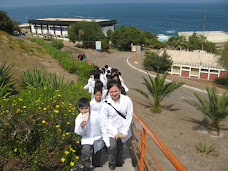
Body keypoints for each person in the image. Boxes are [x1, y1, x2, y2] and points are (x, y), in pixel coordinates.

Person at [100, 80, 133, 170]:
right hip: (111, 130)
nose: (114, 93)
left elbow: (129, 115)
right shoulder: (106, 104)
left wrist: (123, 131)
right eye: (112, 91)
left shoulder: (127, 100)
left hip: (123, 129)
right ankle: (112, 162)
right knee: (112, 146)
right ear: (108, 91)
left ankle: (119, 160)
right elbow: (105, 121)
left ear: (119, 89)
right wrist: (115, 132)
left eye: (116, 91)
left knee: (120, 145)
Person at [74, 97, 109, 171]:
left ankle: (96, 163)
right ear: (79, 109)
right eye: (82, 109)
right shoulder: (78, 118)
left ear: (89, 107)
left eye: (86, 108)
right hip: (87, 138)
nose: (84, 111)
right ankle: (86, 167)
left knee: (97, 157)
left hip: (98, 138)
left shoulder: (97, 115)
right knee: (85, 153)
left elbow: (103, 127)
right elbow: (78, 132)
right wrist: (81, 126)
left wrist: (106, 141)